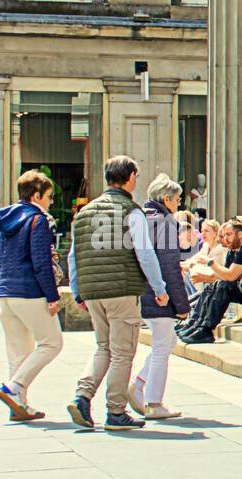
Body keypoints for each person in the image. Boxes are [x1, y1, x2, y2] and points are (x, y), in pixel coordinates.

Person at [65, 155, 170, 431]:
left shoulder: (85, 212)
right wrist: (159, 289)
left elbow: (73, 257)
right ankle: (115, 412)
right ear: (131, 178)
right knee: (123, 352)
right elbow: (145, 254)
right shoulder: (131, 211)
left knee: (104, 347)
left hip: (92, 291)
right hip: (122, 290)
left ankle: (83, 396)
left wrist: (78, 292)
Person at [0, 171, 62, 421]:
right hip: (29, 291)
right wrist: (52, 296)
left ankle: (18, 405)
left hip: (5, 292)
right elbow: (40, 262)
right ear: (36, 195)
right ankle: (12, 388)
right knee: (52, 343)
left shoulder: (6, 220)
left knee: (18, 352)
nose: (50, 202)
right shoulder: (37, 220)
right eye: (49, 197)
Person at [129, 174, 192, 420]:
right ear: (166, 199)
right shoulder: (165, 222)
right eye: (177, 200)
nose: (178, 206)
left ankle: (140, 385)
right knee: (161, 347)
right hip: (159, 293)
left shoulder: (140, 217)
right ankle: (152, 401)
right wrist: (182, 303)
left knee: (166, 342)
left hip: (141, 289)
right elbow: (169, 265)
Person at [178, 220, 242, 342]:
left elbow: (230, 276)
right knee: (214, 286)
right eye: (223, 235)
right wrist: (206, 278)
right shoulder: (233, 250)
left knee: (223, 285)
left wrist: (210, 263)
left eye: (229, 235)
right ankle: (198, 324)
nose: (225, 239)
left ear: (239, 235)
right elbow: (222, 275)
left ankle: (206, 330)